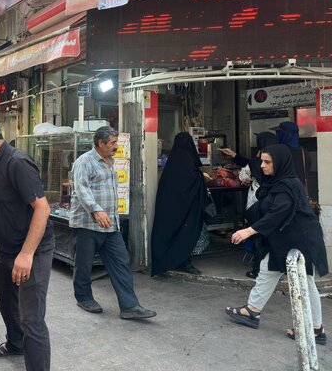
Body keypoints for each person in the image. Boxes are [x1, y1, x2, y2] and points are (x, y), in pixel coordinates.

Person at [0, 113, 54, 371]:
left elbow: (42, 209)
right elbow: (6, 204)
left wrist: (26, 254)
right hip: (6, 249)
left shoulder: (17, 163)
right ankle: (15, 343)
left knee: (32, 320)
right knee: (5, 298)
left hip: (32, 252)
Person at [225, 144, 328, 345]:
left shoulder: (287, 186)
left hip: (300, 241)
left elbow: (277, 214)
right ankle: (252, 311)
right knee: (267, 269)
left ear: (280, 163)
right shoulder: (276, 183)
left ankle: (315, 329)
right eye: (262, 160)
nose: (262, 165)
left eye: (267, 162)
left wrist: (247, 231)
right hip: (282, 240)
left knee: (305, 283)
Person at [70, 126, 157, 320]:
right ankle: (83, 297)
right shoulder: (85, 161)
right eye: (112, 143)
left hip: (110, 225)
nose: (116, 146)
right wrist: (96, 210)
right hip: (87, 224)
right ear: (100, 143)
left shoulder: (110, 161)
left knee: (121, 262)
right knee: (83, 265)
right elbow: (81, 189)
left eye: (116, 142)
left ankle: (130, 306)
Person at [151, 131, 212, 276]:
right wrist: (201, 177)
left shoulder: (171, 165)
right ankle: (184, 261)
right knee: (185, 234)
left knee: (172, 234)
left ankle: (167, 260)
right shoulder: (189, 163)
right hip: (188, 210)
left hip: (170, 210)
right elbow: (194, 182)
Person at [220, 132, 279, 278]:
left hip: (257, 202)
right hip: (276, 201)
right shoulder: (281, 159)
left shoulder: (256, 162)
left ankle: (258, 269)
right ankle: (276, 266)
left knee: (258, 234)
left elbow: (243, 177)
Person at [270, 121, 311, 192]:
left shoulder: (280, 151)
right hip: (299, 192)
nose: (277, 135)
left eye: (279, 132)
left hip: (283, 192)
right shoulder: (304, 151)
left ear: (286, 134)